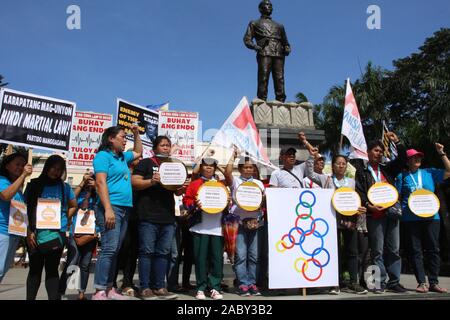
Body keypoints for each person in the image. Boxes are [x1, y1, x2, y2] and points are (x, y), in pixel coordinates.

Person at [132, 136, 188, 300]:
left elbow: (175, 190)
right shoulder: (146, 163)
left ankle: (160, 287)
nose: (166, 148)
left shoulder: (174, 164)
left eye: (168, 145)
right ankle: (145, 288)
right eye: (163, 145)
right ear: (154, 148)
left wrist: (181, 188)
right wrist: (152, 181)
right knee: (147, 252)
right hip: (148, 215)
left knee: (163, 252)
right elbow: (135, 182)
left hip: (168, 216)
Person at [91, 125, 142, 300]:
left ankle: (110, 288)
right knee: (109, 249)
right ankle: (99, 290)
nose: (125, 139)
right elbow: (100, 183)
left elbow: (138, 152)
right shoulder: (103, 156)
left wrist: (136, 133)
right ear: (111, 138)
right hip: (110, 207)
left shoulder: (122, 157)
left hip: (125, 209)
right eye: (123, 136)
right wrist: (107, 209)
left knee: (116, 249)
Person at [354, 132, 407, 294]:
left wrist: (397, 142)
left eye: (381, 151)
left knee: (394, 249)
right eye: (376, 150)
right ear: (368, 152)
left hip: (391, 213)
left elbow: (403, 159)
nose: (379, 153)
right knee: (377, 251)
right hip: (375, 216)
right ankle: (380, 282)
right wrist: (369, 205)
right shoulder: (362, 171)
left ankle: (394, 281)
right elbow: (360, 191)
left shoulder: (387, 169)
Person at [395, 144, 450, 293]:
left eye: (419, 156)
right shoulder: (402, 176)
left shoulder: (429, 172)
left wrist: (441, 153)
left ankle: (434, 282)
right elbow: (397, 197)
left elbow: (449, 170)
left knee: (433, 249)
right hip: (410, 219)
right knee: (415, 251)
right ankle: (421, 283)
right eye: (413, 157)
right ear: (407, 161)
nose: (417, 158)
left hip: (432, 217)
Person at [25, 155, 77, 300]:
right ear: (47, 167)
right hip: (34, 234)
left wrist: (65, 219)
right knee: (35, 270)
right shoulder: (33, 185)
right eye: (53, 168)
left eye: (60, 169)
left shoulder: (65, 187)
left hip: (56, 235)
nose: (56, 171)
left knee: (52, 270)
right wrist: (29, 230)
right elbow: (24, 209)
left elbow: (73, 205)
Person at [183, 158, 226, 300]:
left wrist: (227, 202)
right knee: (200, 259)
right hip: (200, 227)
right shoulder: (195, 184)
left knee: (217, 259)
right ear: (201, 168)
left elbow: (226, 202)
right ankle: (200, 288)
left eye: (211, 167)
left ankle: (215, 287)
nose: (208, 169)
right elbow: (187, 200)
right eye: (206, 166)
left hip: (217, 227)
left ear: (214, 169)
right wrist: (195, 204)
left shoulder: (221, 185)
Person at [224, 150, 264, 297]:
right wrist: (232, 157)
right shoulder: (235, 181)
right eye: (245, 167)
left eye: (251, 167)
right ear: (240, 169)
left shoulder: (259, 183)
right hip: (239, 223)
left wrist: (258, 218)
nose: (248, 169)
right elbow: (227, 173)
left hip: (255, 223)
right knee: (241, 256)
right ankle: (242, 284)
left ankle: (252, 283)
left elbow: (262, 202)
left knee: (254, 256)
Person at [59, 172, 97, 300]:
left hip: (91, 234)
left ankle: (81, 293)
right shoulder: (78, 195)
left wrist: (96, 186)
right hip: (75, 233)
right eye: (88, 180)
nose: (89, 183)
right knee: (71, 263)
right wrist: (82, 183)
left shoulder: (97, 197)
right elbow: (71, 199)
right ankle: (60, 291)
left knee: (85, 265)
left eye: (92, 180)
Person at [243, 0, 291, 102]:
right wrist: (256, 47)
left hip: (278, 52)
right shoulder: (254, 23)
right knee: (263, 77)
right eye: (267, 5)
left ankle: (281, 100)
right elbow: (247, 40)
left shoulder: (279, 26)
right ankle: (262, 100)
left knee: (280, 78)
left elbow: (286, 43)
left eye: (271, 5)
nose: (269, 7)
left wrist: (287, 48)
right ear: (260, 8)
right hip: (264, 51)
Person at [0, 153, 32, 283]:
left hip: (14, 233)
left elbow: (22, 211)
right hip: (2, 232)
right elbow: (5, 195)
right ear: (7, 165)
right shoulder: (2, 180)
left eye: (23, 165)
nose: (20, 167)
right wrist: (23, 175)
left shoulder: (18, 188)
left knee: (3, 270)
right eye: (17, 164)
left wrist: (28, 232)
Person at [113, 153, 142, 297]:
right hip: (120, 215)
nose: (139, 160)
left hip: (136, 217)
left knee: (133, 251)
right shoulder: (120, 171)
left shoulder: (142, 175)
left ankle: (127, 282)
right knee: (118, 249)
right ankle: (111, 283)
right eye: (137, 158)